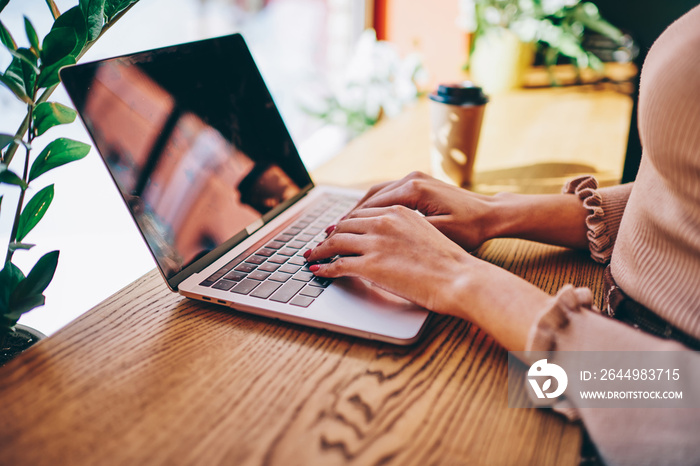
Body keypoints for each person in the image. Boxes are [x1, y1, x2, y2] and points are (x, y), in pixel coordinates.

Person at [305, 4, 700, 466]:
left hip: (629, 389)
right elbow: (680, 192)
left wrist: (460, 278)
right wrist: (495, 212)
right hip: (604, 329)